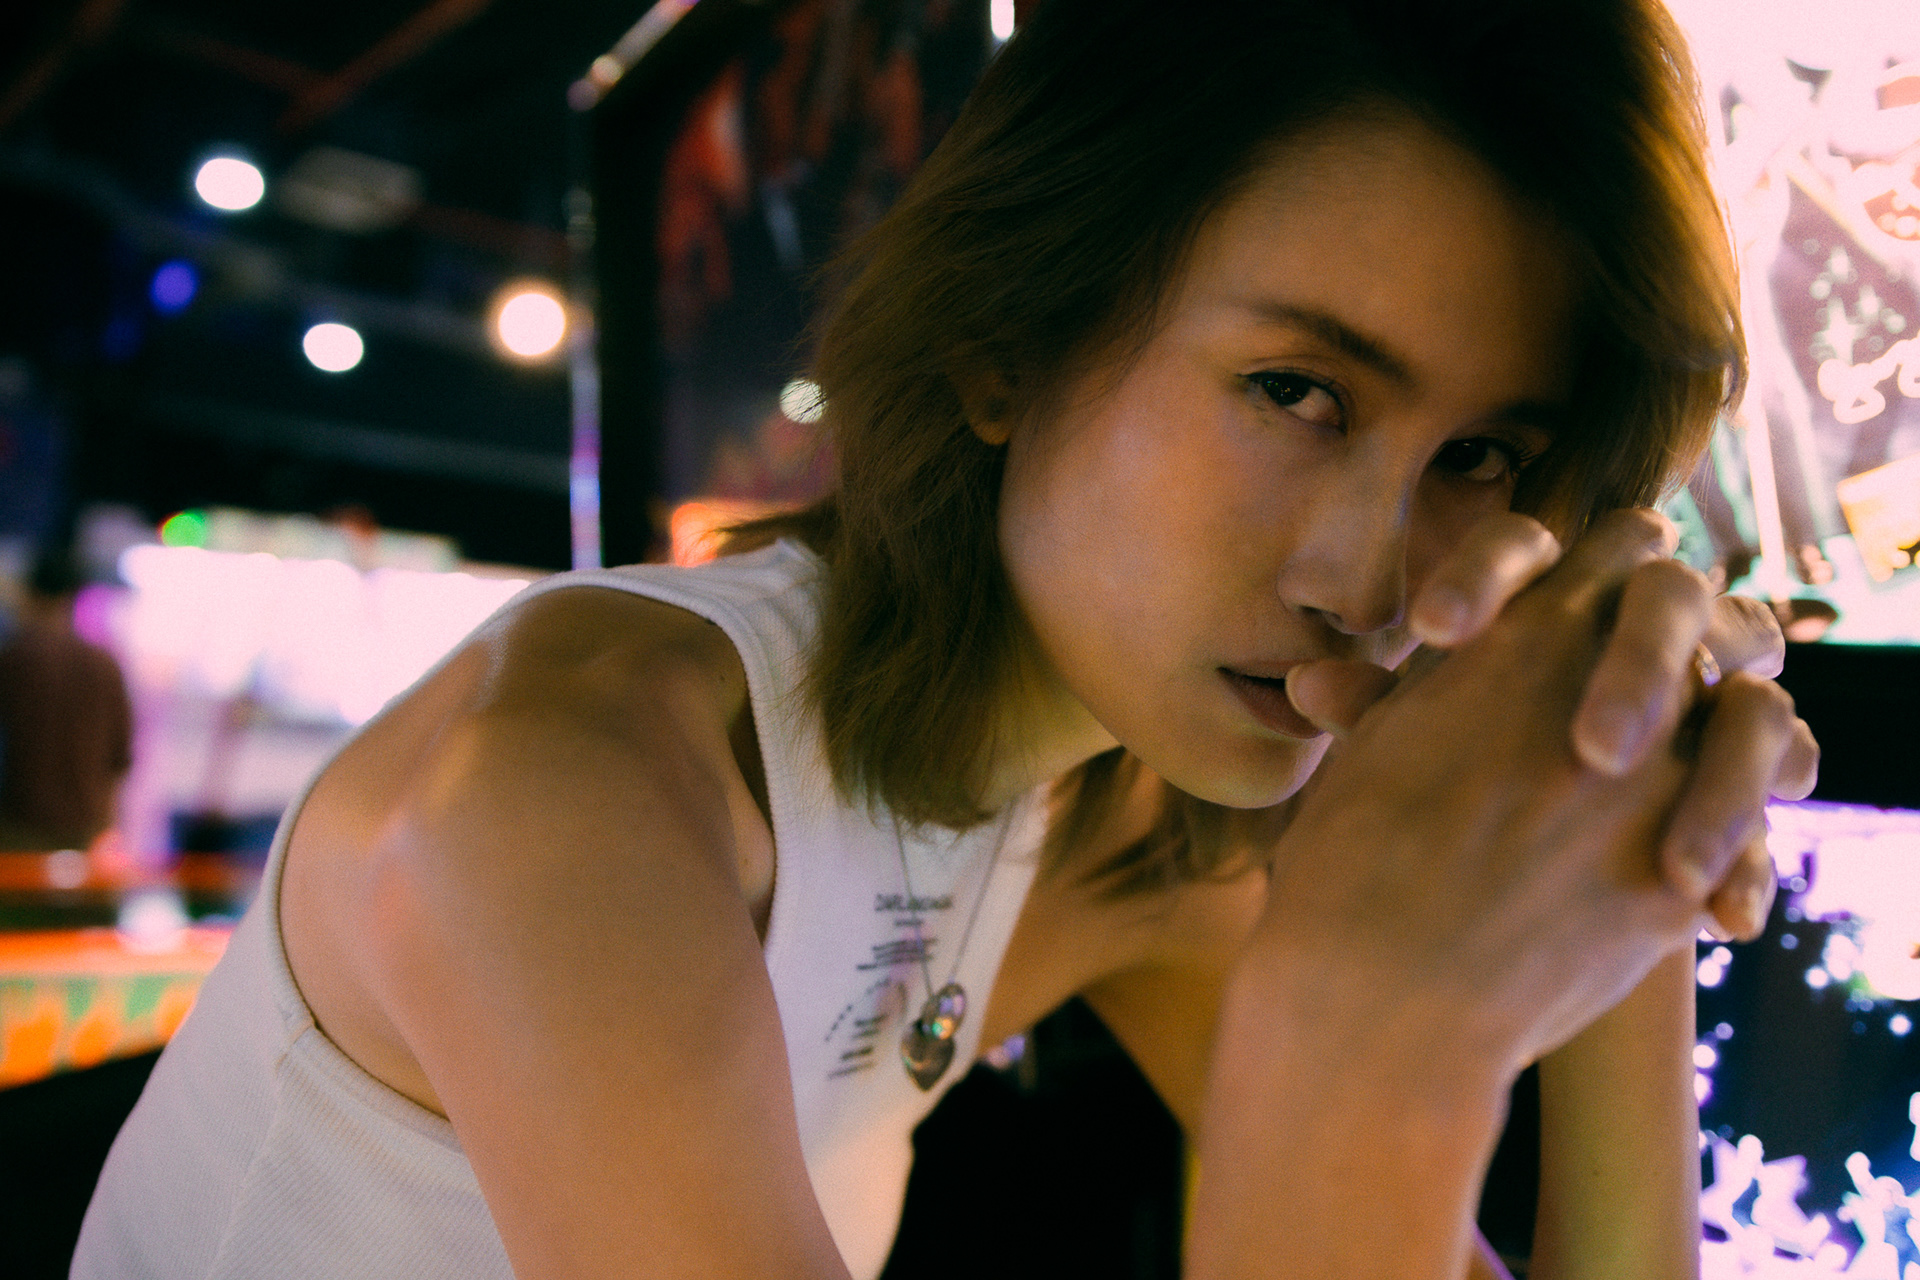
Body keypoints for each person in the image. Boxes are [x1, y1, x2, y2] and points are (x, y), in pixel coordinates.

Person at [76, 1, 1818, 1277]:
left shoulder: (1114, 829)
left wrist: (1641, 825)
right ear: (1006, 341)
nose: (1374, 574)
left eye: (1480, 457)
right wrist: (1357, 1038)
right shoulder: (563, 800)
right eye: (1298, 392)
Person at [0, 549, 132, 853]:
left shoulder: (15, 658)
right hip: (86, 827)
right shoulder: (105, 666)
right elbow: (120, 756)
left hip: (19, 827)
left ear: (30, 595)